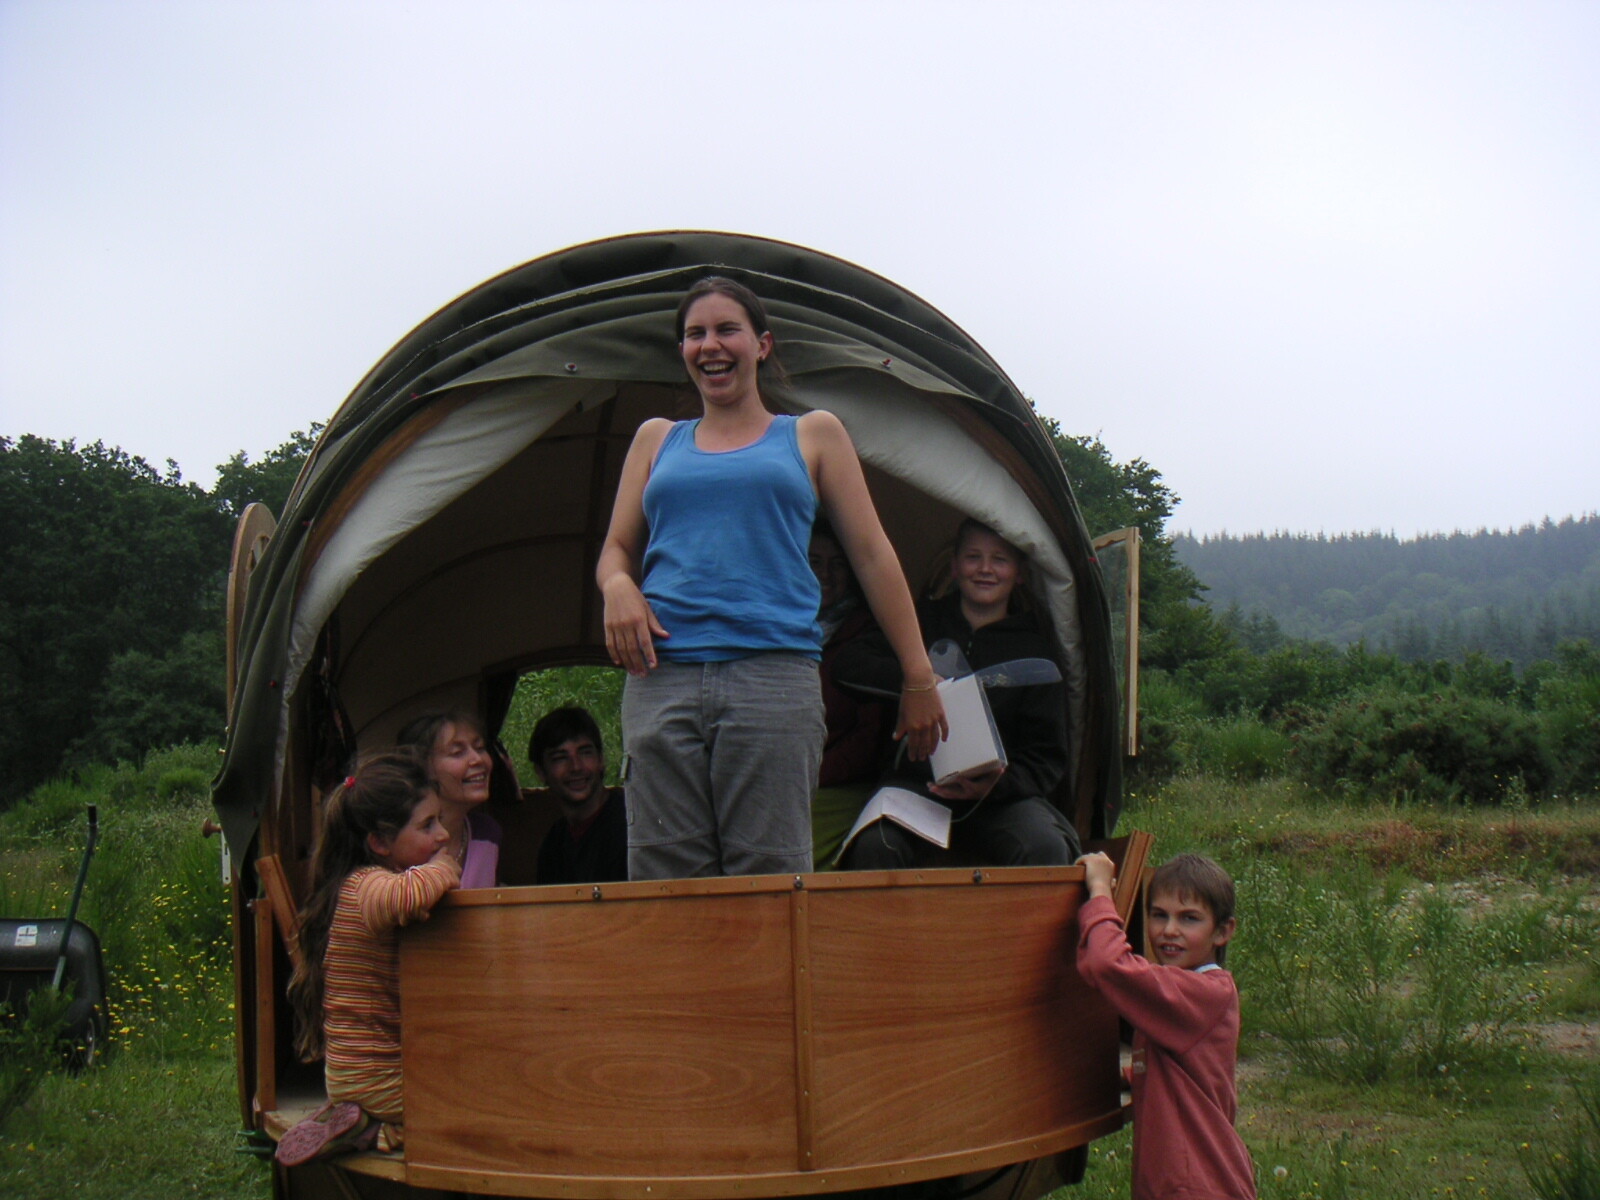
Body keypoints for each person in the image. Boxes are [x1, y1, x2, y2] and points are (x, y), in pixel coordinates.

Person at [597, 275, 946, 879]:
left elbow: (872, 554)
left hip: (772, 678)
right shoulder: (657, 439)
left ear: (761, 345)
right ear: (682, 351)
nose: (710, 345)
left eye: (727, 330)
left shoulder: (812, 434)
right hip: (662, 677)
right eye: (695, 334)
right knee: (666, 876)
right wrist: (618, 586)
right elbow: (616, 550)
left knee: (769, 876)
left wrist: (918, 675)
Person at [836, 518, 1079, 869]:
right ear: (954, 566)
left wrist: (997, 784)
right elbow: (848, 664)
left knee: (1044, 846)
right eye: (973, 557)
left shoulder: (1036, 653)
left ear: (1019, 573)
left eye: (999, 560)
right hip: (915, 788)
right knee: (877, 845)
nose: (985, 569)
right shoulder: (918, 623)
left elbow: (1047, 756)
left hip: (999, 797)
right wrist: (914, 682)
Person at [281, 752, 460, 1164]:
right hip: (377, 1078)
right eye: (427, 825)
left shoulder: (355, 886)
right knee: (464, 1103)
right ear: (379, 842)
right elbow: (407, 895)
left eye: (440, 821)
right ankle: (378, 1130)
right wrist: (445, 868)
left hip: (354, 1075)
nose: (443, 835)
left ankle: (358, 1120)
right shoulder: (366, 888)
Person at [1075, 851, 1256, 1200]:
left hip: (1194, 1186)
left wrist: (1099, 891)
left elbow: (1105, 963)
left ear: (1223, 931)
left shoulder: (1201, 993)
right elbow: (1185, 1073)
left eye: (1189, 918)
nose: (1169, 930)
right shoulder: (1190, 992)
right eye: (1159, 915)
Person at [809, 520, 892, 866]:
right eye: (814, 562)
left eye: (838, 564)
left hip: (840, 782)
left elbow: (871, 736)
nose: (826, 575)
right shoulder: (770, 629)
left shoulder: (867, 636)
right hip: (778, 774)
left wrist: (812, 773)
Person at [397, 711, 502, 888]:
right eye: (457, 753)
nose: (477, 759)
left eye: (480, 748)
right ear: (422, 767)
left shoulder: (487, 833)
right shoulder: (399, 839)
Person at [528, 705, 627, 885]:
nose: (576, 767)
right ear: (541, 771)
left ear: (601, 759)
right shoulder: (554, 843)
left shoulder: (628, 826)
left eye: (585, 753)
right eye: (560, 757)